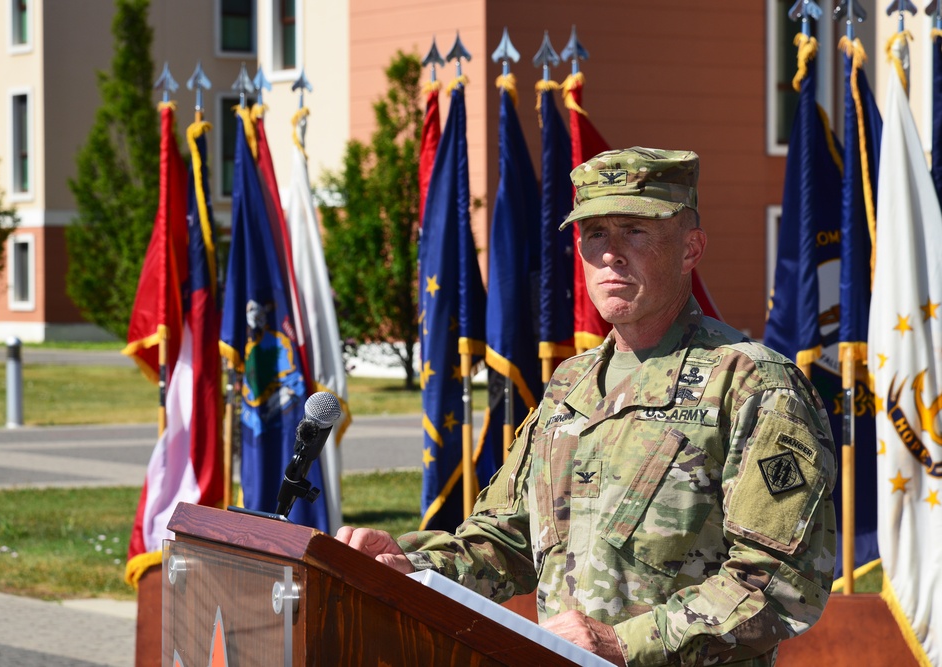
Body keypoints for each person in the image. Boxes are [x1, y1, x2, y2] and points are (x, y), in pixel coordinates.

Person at [336, 148, 837, 666]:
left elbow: (780, 581)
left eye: (635, 231)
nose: (611, 254)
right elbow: (506, 537)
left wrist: (623, 646)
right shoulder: (570, 384)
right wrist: (409, 566)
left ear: (691, 249)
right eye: (596, 233)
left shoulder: (752, 384)